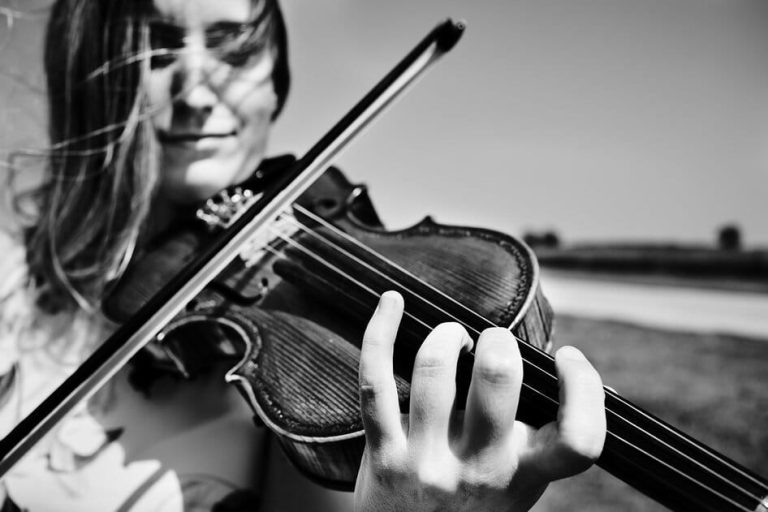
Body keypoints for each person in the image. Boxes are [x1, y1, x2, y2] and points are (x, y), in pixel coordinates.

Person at [0, 0, 607, 510]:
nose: (196, 92)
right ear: (87, 76)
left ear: (274, 79)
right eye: (154, 53)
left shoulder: (313, 397)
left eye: (234, 50)